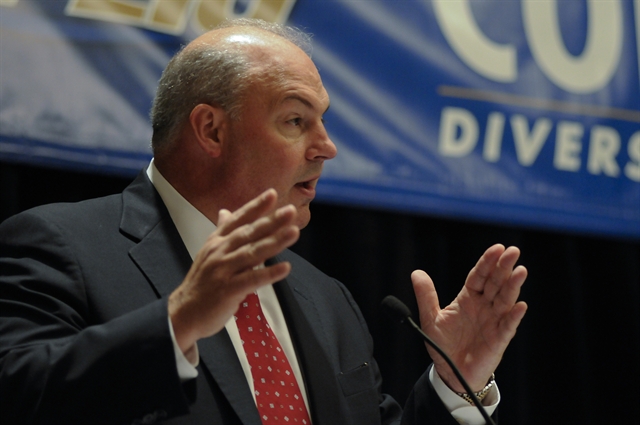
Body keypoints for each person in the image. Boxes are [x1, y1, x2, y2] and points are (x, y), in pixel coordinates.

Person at [0, 19, 528, 425]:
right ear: (211, 130)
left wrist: (454, 385)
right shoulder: (60, 246)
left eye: (323, 122)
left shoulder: (326, 299)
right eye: (296, 120)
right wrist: (178, 321)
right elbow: (20, 396)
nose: (327, 147)